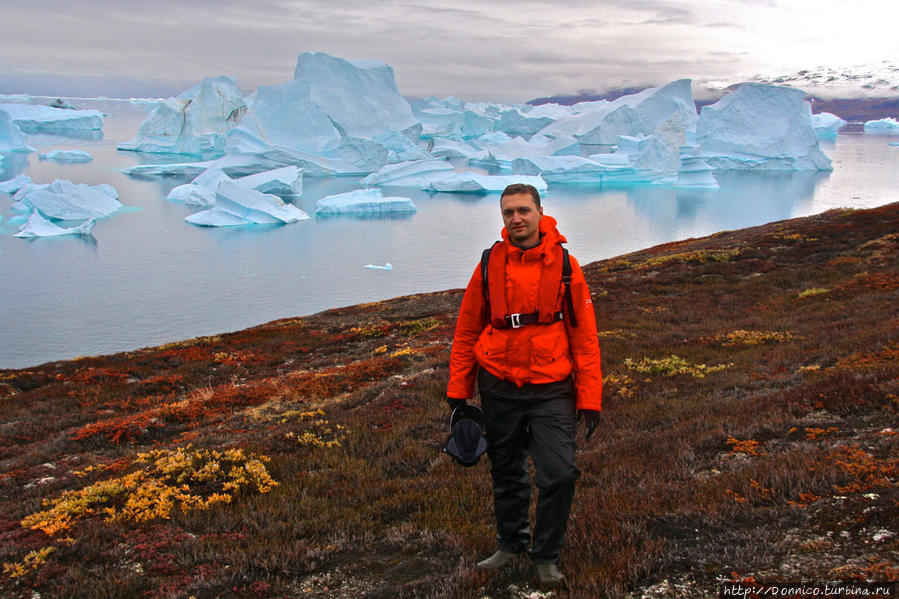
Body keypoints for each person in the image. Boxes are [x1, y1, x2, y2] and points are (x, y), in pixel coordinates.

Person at [446, 183, 603, 586]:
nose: (516, 219)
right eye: (508, 213)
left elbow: (584, 337)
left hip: (551, 385)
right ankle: (510, 543)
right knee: (506, 469)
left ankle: (546, 554)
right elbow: (466, 330)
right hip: (498, 382)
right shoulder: (489, 264)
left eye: (523, 211)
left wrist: (590, 397)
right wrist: (459, 390)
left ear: (539, 212)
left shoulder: (566, 265)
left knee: (559, 472)